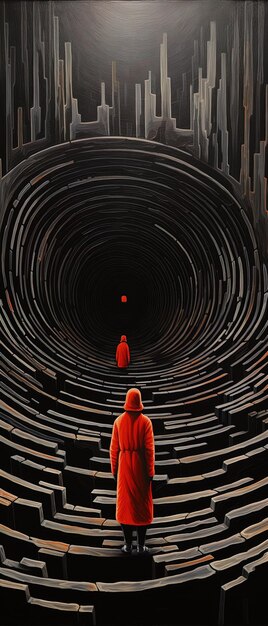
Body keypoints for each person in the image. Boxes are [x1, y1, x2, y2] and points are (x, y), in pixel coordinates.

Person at [109, 388, 155, 553]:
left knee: (126, 506)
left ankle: (128, 545)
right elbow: (149, 450)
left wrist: (114, 471)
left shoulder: (119, 422)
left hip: (124, 468)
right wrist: (150, 472)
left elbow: (114, 450)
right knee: (141, 507)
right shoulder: (146, 422)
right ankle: (141, 545)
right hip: (141, 467)